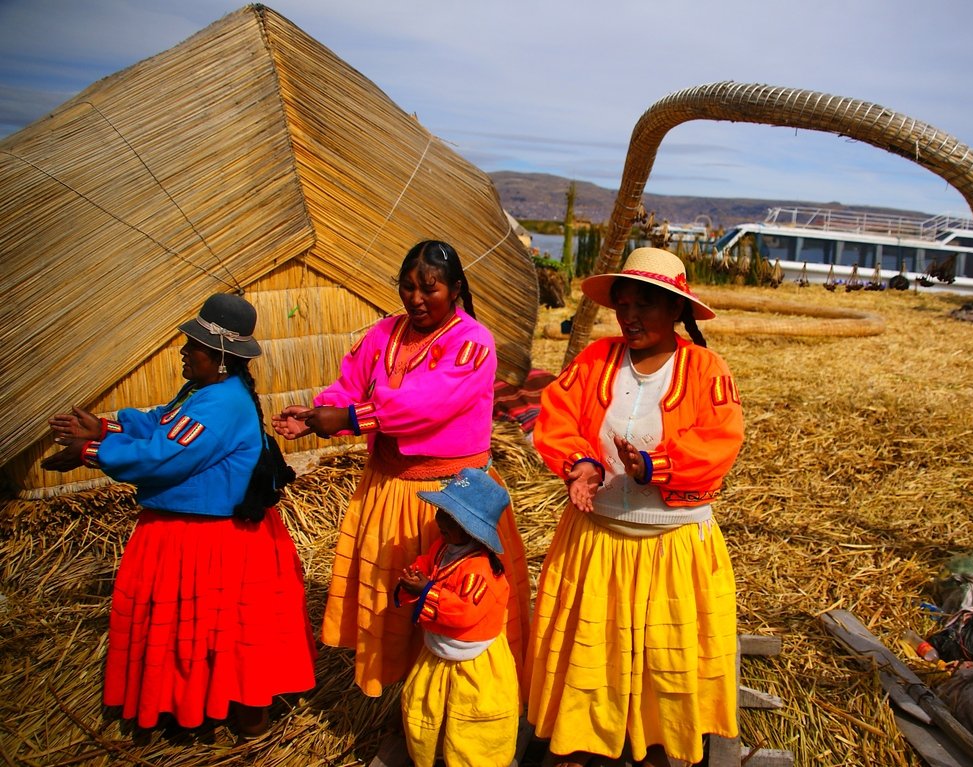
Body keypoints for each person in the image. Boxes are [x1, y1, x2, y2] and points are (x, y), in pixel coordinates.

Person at [42, 293, 316, 738]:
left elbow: (166, 455)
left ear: (221, 357)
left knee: (225, 634)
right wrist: (108, 428)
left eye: (194, 346)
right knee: (205, 634)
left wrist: (92, 452)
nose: (184, 352)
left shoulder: (222, 404)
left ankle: (247, 719)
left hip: (216, 542)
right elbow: (162, 423)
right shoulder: (204, 391)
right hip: (200, 533)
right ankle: (202, 707)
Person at [271, 239, 530, 697]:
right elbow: (349, 385)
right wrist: (318, 415)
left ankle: (470, 705)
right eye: (407, 287)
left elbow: (428, 404)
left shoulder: (473, 344)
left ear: (455, 290)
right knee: (400, 596)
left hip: (454, 500)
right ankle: (407, 703)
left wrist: (353, 419)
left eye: (429, 289)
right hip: (389, 489)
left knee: (455, 603)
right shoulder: (384, 333)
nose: (415, 299)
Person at [526, 247, 744, 767]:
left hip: (671, 547)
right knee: (591, 656)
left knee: (661, 665)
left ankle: (654, 747)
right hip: (597, 542)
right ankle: (579, 743)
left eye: (644, 302)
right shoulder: (596, 360)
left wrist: (655, 466)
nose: (629, 315)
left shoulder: (705, 368)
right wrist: (581, 464)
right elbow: (558, 416)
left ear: (676, 309)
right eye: (622, 303)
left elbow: (720, 440)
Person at [394, 467, 520, 767]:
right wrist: (417, 575)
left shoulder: (481, 570)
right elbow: (428, 563)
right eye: (442, 513)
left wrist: (426, 590)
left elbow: (464, 612)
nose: (441, 521)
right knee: (427, 703)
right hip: (439, 650)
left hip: (474, 660)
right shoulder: (444, 546)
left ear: (473, 530)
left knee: (473, 715)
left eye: (452, 518)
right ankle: (435, 752)